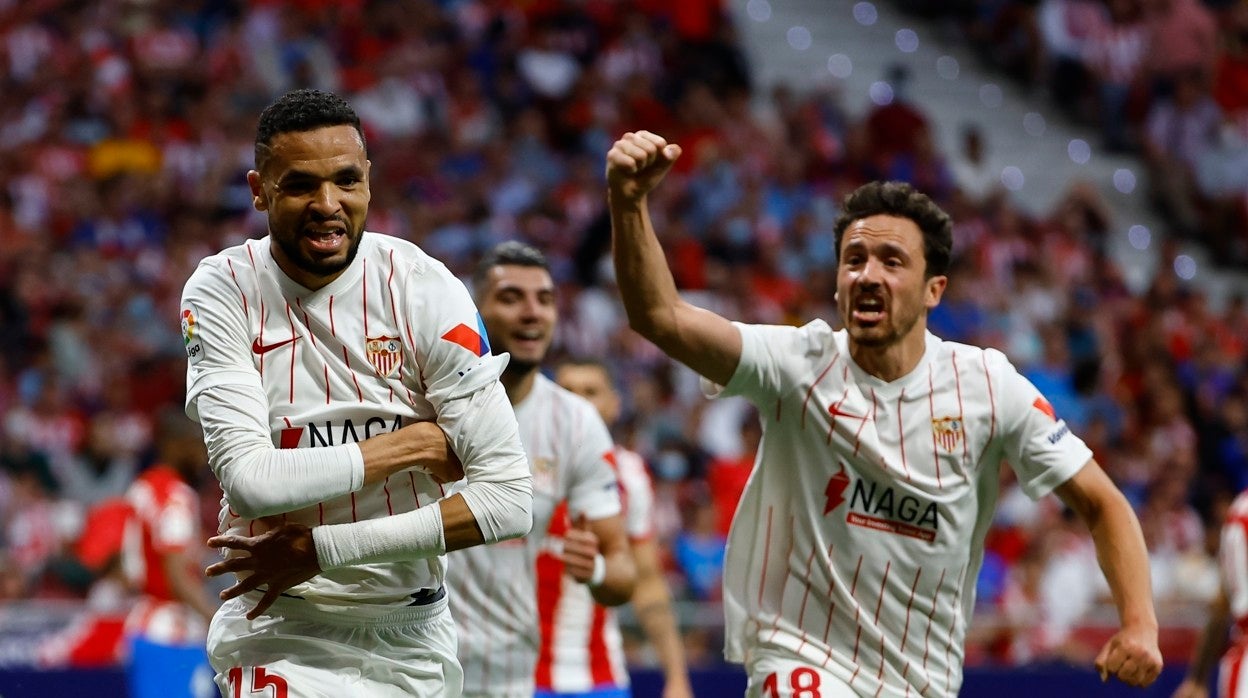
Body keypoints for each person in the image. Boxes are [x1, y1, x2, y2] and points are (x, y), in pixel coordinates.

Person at [604, 130, 1164, 697]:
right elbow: (660, 316)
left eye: (891, 261)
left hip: (923, 680)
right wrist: (628, 204)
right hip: (800, 660)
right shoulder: (798, 362)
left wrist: (1140, 621)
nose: (867, 275)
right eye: (854, 260)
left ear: (933, 290)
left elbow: (1103, 503)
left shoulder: (989, 387)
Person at [182, 88, 533, 697]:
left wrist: (323, 548)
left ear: (369, 179)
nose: (328, 205)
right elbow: (251, 481)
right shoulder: (222, 290)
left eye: (346, 180)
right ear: (259, 190)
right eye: (300, 186)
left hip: (414, 634)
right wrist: (411, 445)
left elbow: (507, 501)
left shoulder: (426, 289)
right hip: (281, 624)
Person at [446, 241, 636, 698]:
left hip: (509, 673)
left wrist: (594, 569)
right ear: (474, 313)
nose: (532, 313)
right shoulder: (425, 403)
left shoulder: (575, 423)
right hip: (415, 662)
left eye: (545, 299)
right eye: (511, 298)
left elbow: (624, 572)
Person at [549, 357, 694, 698]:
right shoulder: (514, 467)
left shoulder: (629, 476)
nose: (578, 402)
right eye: (567, 391)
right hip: (513, 677)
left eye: (590, 392)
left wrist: (677, 677)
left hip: (600, 678)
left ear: (614, 405)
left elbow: (647, 580)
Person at [121, 411, 217, 698]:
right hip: (173, 633)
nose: (202, 456)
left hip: (143, 625)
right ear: (174, 446)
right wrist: (217, 619)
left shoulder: (141, 486)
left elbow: (136, 564)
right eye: (196, 445)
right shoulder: (176, 496)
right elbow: (177, 576)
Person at [1171, 490, 1248, 698]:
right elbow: (1225, 599)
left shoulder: (1240, 510)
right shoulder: (1241, 514)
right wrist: (1196, 678)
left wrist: (1197, 678)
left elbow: (1224, 600)